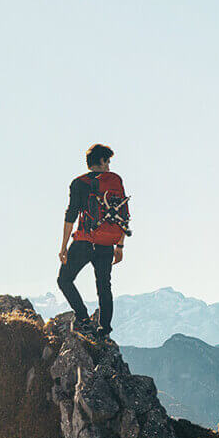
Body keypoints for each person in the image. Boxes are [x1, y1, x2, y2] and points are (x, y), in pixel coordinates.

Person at [57, 144, 129, 339]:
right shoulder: (115, 182)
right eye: (108, 161)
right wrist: (119, 246)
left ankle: (84, 319)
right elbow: (122, 215)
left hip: (84, 242)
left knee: (64, 280)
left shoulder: (78, 183)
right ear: (102, 161)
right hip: (107, 244)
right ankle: (104, 329)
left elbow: (71, 215)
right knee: (104, 287)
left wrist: (63, 247)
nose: (109, 166)